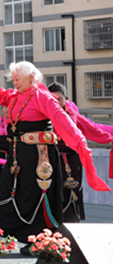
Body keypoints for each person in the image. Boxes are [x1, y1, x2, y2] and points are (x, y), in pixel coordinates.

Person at [0, 54, 109, 249]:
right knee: (6, 187)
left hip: (39, 155)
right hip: (17, 152)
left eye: (17, 78)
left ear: (31, 78)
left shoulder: (43, 97)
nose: (14, 82)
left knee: (34, 194)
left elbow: (63, 121)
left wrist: (81, 144)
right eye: (13, 79)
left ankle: (40, 242)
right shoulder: (14, 96)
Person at [47, 82, 113, 223]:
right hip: (50, 157)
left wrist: (110, 135)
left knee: (72, 188)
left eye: (60, 99)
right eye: (53, 99)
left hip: (72, 157)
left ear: (65, 98)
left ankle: (72, 220)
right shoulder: (43, 115)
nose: (57, 102)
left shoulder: (72, 114)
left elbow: (92, 127)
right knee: (52, 189)